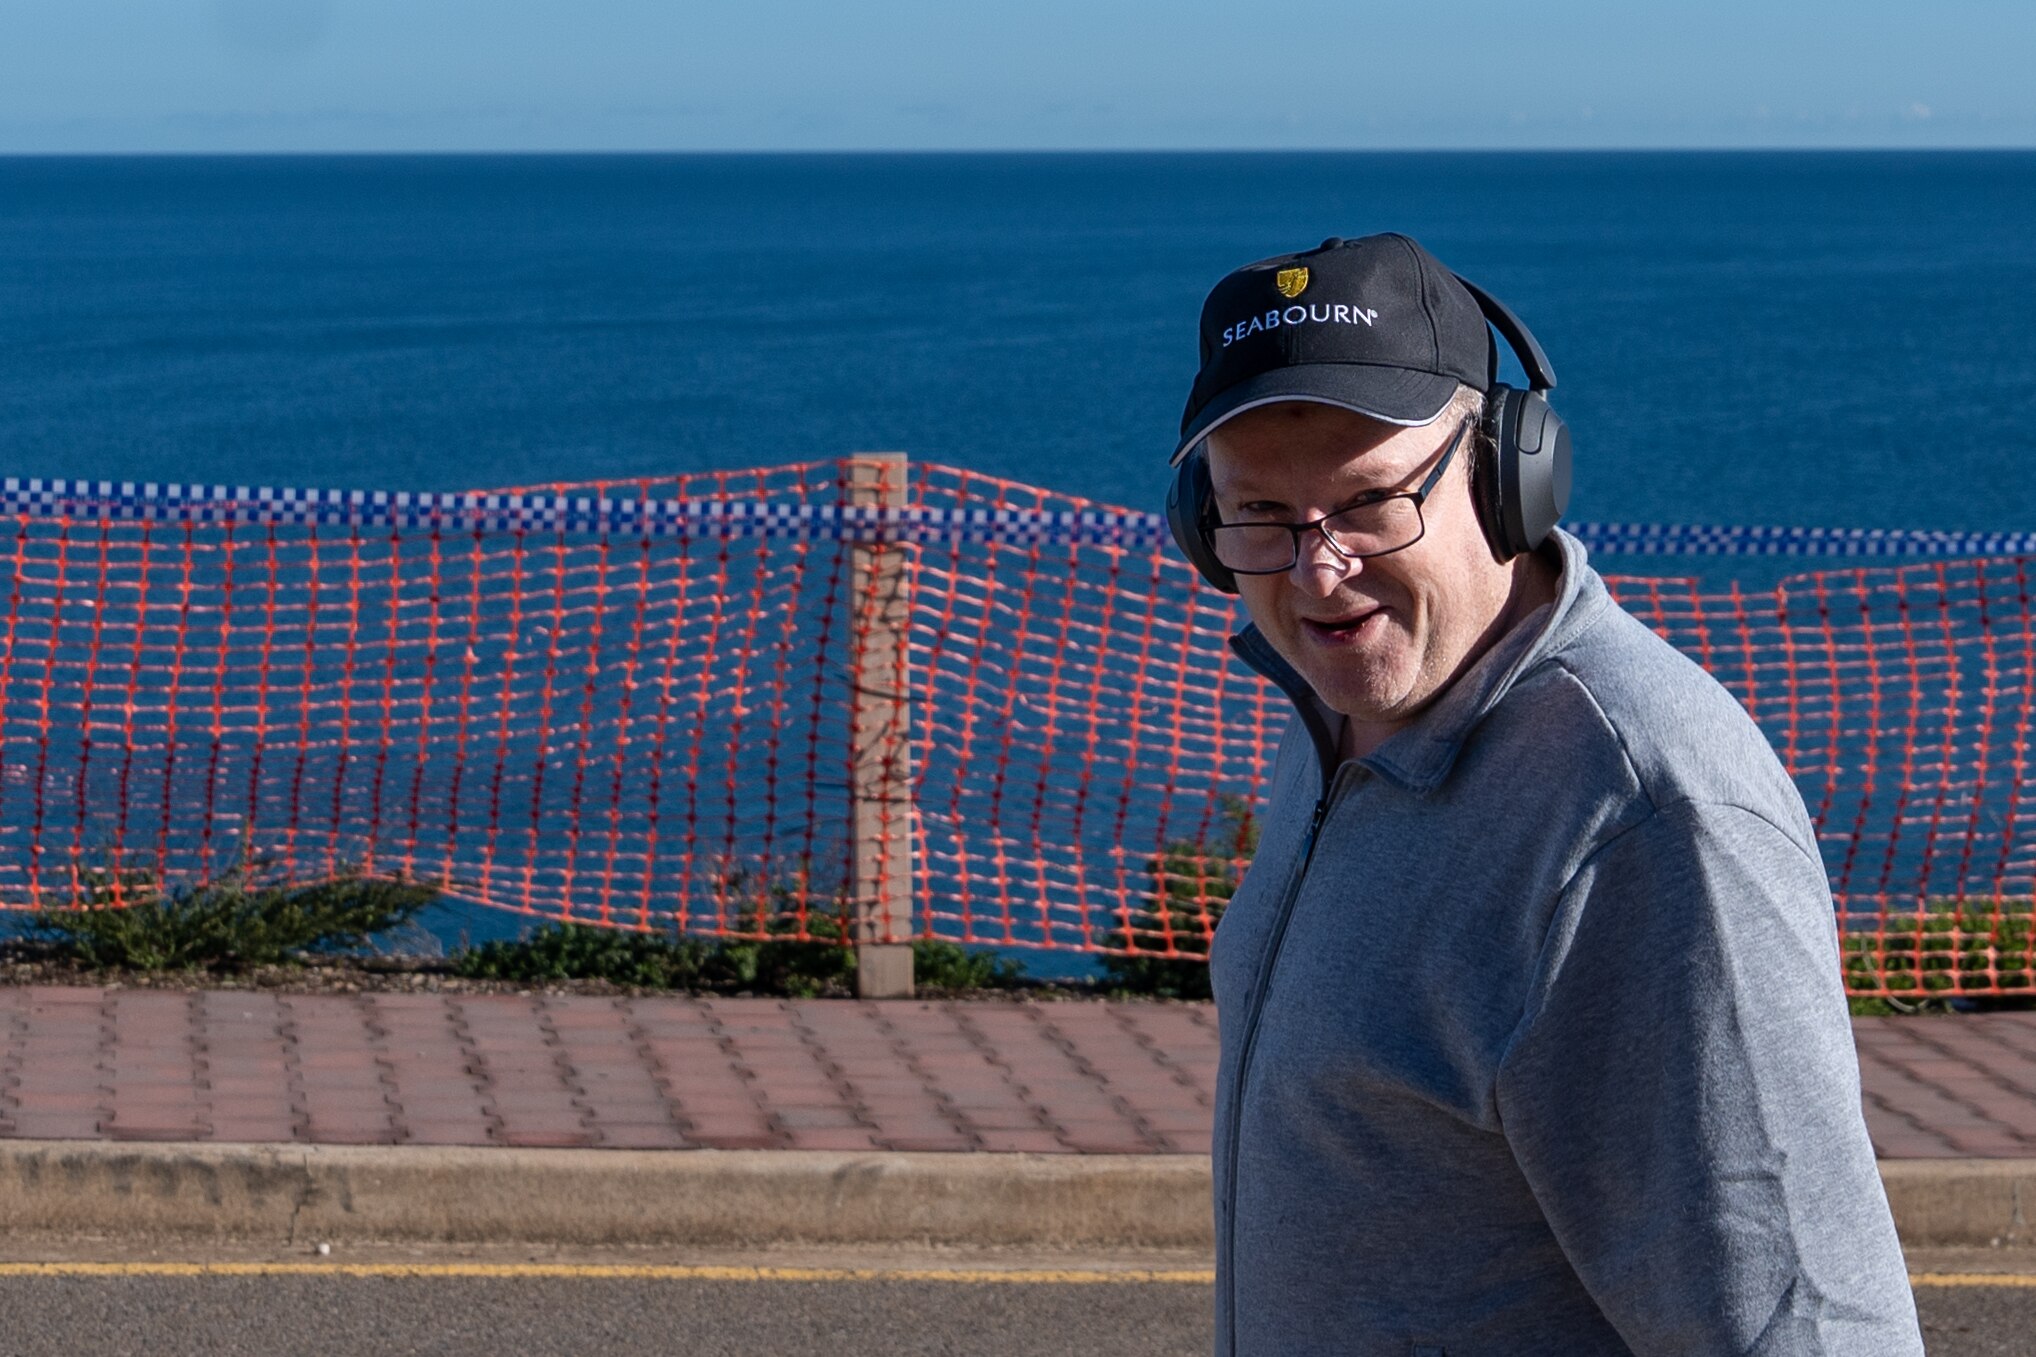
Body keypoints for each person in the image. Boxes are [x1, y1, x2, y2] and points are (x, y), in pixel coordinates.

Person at [1165, 233, 1922, 1355]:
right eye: (1260, 515)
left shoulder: (1645, 819)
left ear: (1506, 477)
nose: (1316, 572)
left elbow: (1800, 1325)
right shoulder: (1344, 710)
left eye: (1370, 503)